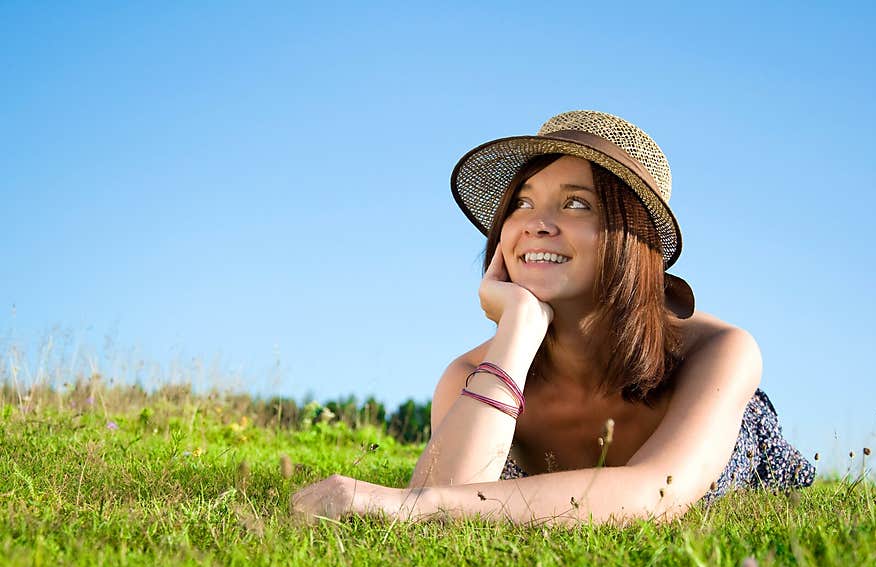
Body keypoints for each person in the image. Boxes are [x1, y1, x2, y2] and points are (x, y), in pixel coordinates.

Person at [290, 109, 816, 527]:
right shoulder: (467, 378)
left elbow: (656, 494)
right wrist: (517, 331)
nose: (536, 224)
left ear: (630, 238)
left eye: (577, 205)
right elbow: (440, 507)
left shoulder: (717, 351)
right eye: (521, 203)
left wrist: (402, 504)